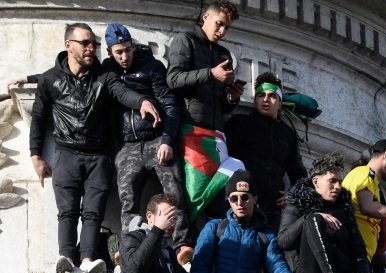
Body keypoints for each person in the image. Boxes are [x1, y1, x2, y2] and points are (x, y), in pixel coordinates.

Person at [29, 22, 161, 273]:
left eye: (95, 44)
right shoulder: (50, 79)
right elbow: (38, 117)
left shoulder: (104, 76)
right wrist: (35, 155)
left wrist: (142, 100)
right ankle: (65, 259)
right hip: (66, 154)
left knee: (93, 213)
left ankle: (88, 259)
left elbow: (122, 92)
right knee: (66, 212)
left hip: (98, 156)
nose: (92, 48)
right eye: (86, 43)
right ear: (69, 45)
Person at [102, 23, 190, 257]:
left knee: (175, 194)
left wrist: (167, 140)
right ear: (110, 51)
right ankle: (129, 246)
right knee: (127, 200)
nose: (124, 56)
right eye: (119, 52)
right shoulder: (107, 70)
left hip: (156, 139)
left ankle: (181, 245)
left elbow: (170, 104)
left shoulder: (151, 66)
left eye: (128, 50)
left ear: (133, 46)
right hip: (128, 146)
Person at [166, 0, 246, 228]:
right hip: (192, 131)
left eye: (227, 28)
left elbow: (223, 103)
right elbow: (173, 80)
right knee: (195, 194)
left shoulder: (223, 54)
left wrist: (232, 97)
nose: (221, 31)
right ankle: (188, 245)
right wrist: (211, 73)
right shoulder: (186, 40)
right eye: (219, 24)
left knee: (216, 198)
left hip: (217, 136)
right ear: (206, 18)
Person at [225, 72, 307, 229]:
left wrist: (293, 196)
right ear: (255, 100)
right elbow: (222, 160)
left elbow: (299, 174)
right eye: (261, 95)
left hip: (273, 211)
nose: (266, 100)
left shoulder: (288, 134)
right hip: (242, 207)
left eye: (272, 96)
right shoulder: (241, 124)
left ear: (280, 102)